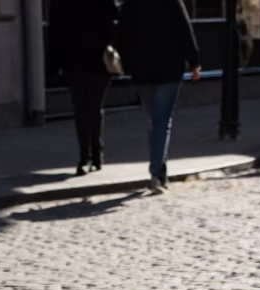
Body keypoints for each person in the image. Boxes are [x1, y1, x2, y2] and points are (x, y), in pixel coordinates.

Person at [117, 0, 201, 194]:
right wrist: (194, 62)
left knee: (153, 120)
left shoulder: (132, 4)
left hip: (142, 69)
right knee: (161, 121)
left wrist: (125, 62)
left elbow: (122, 34)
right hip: (169, 67)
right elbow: (184, 29)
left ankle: (159, 172)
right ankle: (157, 172)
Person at [49, 0, 118, 175]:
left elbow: (115, 20)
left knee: (91, 108)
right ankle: (88, 156)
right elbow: (55, 29)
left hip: (96, 61)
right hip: (76, 61)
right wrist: (54, 64)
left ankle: (93, 155)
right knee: (84, 109)